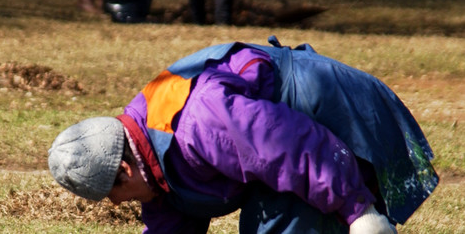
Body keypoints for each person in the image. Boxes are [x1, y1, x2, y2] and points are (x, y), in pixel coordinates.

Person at [48, 36, 438, 233]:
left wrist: (361, 212)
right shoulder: (148, 147)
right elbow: (173, 217)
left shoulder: (200, 122)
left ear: (124, 169)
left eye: (111, 194)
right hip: (291, 150)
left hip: (336, 121)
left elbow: (294, 149)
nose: (116, 204)